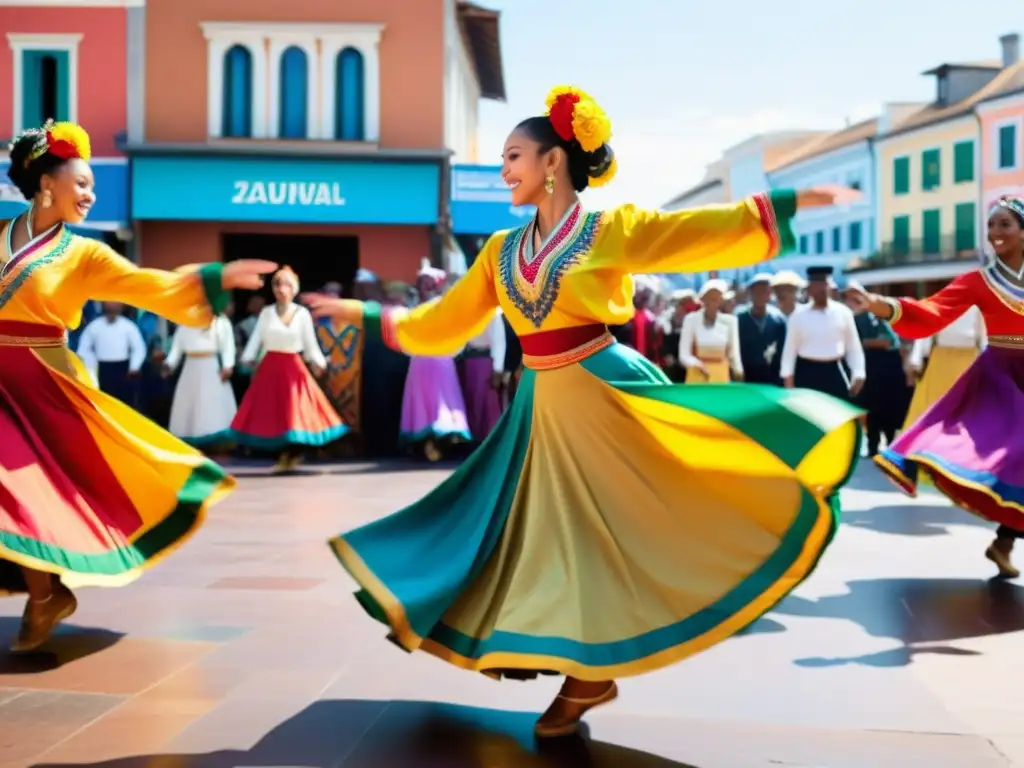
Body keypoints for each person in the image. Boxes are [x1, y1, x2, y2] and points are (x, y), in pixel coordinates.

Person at [305, 87, 862, 738]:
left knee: (617, 530)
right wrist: (373, 316)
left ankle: (586, 674)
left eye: (514, 156)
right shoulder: (498, 252)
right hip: (541, 409)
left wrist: (781, 206)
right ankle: (584, 674)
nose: (506, 169)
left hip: (605, 393)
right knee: (541, 536)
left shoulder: (608, 231)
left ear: (553, 163)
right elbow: (444, 323)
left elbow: (688, 235)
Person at [0, 120, 273, 651]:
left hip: (43, 385)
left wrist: (212, 279)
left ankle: (44, 592)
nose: (89, 194)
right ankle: (45, 589)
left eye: (92, 187)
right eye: (81, 183)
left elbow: (150, 285)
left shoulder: (85, 254)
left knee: (29, 488)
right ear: (47, 184)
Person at [850, 196, 1024, 578]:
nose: (995, 232)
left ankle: (1003, 543)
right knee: (1015, 456)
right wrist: (880, 304)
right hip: (1002, 380)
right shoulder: (979, 282)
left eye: (1005, 225)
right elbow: (931, 312)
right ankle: (1004, 542)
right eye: (991, 225)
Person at [230, 267, 346, 472]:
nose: (281, 289)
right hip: (270, 369)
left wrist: (319, 362)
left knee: (295, 412)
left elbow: (310, 344)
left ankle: (292, 454)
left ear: (294, 289)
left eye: (286, 285)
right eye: (277, 284)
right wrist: (247, 358)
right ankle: (283, 455)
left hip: (293, 368)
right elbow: (257, 338)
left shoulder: (302, 314)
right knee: (273, 413)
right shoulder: (266, 313)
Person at [398, 262, 472, 461]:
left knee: (441, 402)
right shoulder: (414, 309)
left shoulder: (441, 306)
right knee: (426, 402)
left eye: (430, 283)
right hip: (423, 362)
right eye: (423, 283)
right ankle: (427, 442)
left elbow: (458, 334)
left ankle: (440, 440)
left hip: (438, 360)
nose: (426, 287)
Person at [841, 280, 909, 457]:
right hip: (869, 365)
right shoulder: (851, 319)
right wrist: (873, 343)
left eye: (857, 295)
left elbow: (893, 340)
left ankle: (891, 442)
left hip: (889, 365)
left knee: (891, 404)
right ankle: (873, 445)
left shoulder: (880, 314)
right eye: (850, 296)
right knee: (872, 407)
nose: (854, 300)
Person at [779, 266, 865, 401]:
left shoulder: (843, 313)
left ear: (830, 287)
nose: (822, 290)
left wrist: (859, 372)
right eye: (818, 287)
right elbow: (789, 352)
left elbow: (853, 347)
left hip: (834, 371)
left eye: (825, 286)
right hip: (807, 373)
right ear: (810, 290)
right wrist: (788, 382)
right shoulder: (797, 316)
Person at [163, 312, 238, 450]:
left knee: (211, 403)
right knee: (190, 403)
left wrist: (228, 365)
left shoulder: (219, 321)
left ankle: (215, 441)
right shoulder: (184, 320)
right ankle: (190, 438)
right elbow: (177, 347)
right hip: (190, 368)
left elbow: (228, 346)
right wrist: (169, 364)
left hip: (211, 368)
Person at [903, 304, 986, 428]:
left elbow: (985, 341)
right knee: (935, 409)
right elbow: (925, 335)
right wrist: (916, 360)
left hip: (967, 363)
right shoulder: (938, 305)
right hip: (941, 364)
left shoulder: (980, 311)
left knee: (966, 411)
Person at [76, 301, 146, 407]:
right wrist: (90, 366)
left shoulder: (128, 327)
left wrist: (134, 366)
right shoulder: (94, 327)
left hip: (123, 371)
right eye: (110, 302)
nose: (113, 304)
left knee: (123, 405)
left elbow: (139, 348)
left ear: (122, 305)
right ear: (103, 304)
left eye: (116, 302)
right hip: (102, 371)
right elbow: (83, 350)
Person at [678, 278, 742, 383]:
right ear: (702, 299)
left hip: (720, 377)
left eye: (717, 297)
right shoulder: (690, 319)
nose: (714, 300)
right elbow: (683, 355)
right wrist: (697, 365)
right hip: (696, 376)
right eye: (710, 297)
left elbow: (734, 354)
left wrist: (738, 372)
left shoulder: (730, 321)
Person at [460, 307, 507, 442]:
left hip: (485, 362)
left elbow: (499, 342)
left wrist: (497, 369)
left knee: (486, 402)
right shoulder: (467, 311)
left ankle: (489, 440)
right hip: (469, 360)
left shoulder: (492, 313)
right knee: (472, 400)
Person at [736, 272, 787, 386]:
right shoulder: (739, 320)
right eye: (757, 292)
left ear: (770, 294)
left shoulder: (778, 321)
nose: (760, 295)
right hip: (746, 378)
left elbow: (783, 351)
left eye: (764, 291)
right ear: (750, 293)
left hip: (772, 378)